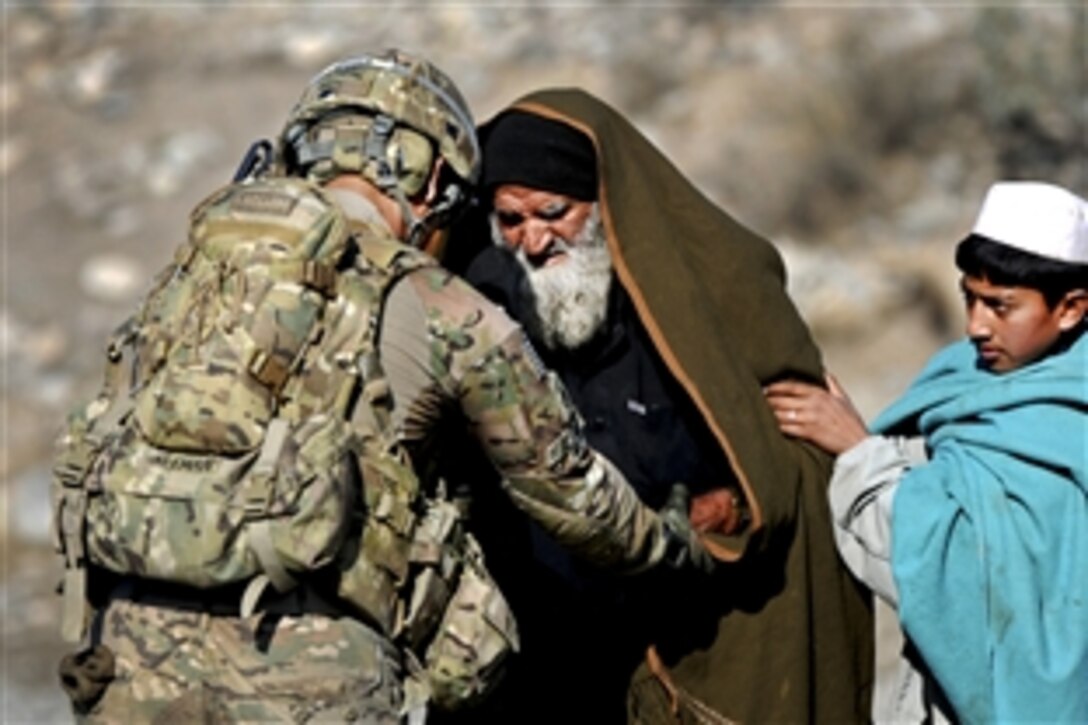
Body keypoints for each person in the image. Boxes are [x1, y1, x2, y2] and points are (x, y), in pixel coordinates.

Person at [51, 52, 708, 724]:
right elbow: (571, 495)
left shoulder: (195, 274)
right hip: (311, 679)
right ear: (429, 183)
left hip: (130, 655)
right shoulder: (444, 306)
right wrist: (678, 543)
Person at [451, 89, 874, 724]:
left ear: (604, 206)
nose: (533, 240)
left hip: (688, 626)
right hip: (546, 640)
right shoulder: (481, 304)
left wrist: (734, 501)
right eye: (511, 220)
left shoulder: (702, 301)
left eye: (554, 212)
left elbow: (783, 463)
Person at [765, 180, 1088, 723]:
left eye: (1000, 306)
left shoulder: (1067, 425)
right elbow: (946, 478)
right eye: (969, 297)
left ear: (1071, 309)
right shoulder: (964, 374)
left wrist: (860, 453)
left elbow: (957, 569)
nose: (975, 325)